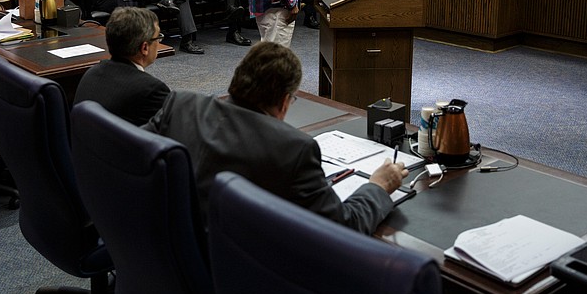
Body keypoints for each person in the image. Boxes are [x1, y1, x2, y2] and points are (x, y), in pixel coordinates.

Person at [146, 41, 408, 233]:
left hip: (159, 246)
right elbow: (342, 226)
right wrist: (378, 186)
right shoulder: (292, 149)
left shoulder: (179, 105)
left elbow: (129, 148)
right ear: (285, 100)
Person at [74, 7, 169, 126]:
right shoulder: (152, 90)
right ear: (144, 48)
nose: (159, 42)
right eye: (157, 38)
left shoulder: (91, 73)